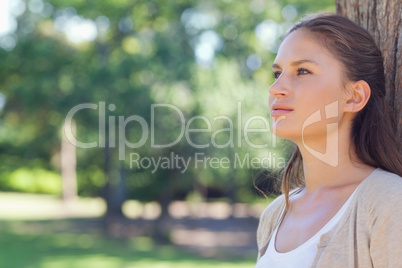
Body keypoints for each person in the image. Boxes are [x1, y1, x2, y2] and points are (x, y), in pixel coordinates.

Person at [255, 13, 402, 268]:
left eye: (302, 71)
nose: (275, 88)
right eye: (277, 73)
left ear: (354, 97)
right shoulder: (275, 215)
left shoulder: (390, 203)